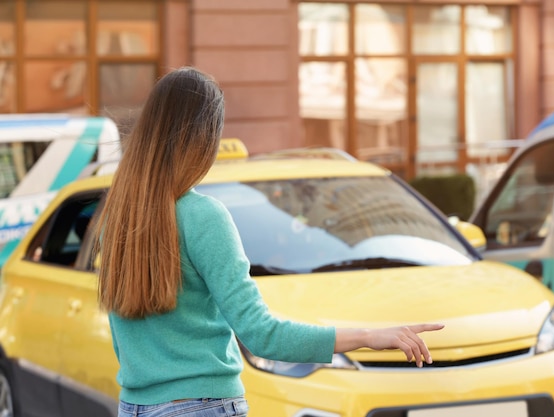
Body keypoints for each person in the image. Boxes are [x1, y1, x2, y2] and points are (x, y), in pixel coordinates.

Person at [94, 66, 444, 417]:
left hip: (135, 407)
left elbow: (126, 343)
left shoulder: (118, 217)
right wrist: (369, 336)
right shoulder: (202, 216)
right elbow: (262, 334)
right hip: (201, 405)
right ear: (203, 138)